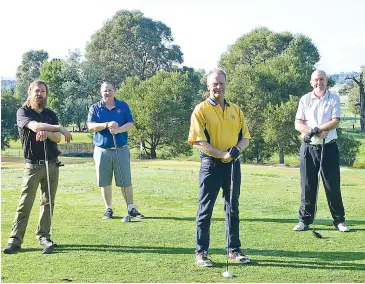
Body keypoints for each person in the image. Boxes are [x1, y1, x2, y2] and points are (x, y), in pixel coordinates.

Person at [188, 68, 251, 267]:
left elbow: (246, 138)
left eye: (221, 83)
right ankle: (201, 252)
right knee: (205, 209)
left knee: (233, 208)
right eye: (214, 83)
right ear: (208, 86)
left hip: (232, 166)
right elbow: (198, 141)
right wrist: (221, 154)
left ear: (226, 84)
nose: (218, 87)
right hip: (211, 165)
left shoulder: (235, 109)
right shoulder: (201, 110)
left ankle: (234, 250)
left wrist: (236, 150)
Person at [3, 80, 72, 254]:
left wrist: (49, 133)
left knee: (48, 203)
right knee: (25, 203)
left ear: (46, 94)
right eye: (36, 91)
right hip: (33, 166)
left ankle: (44, 236)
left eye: (43, 91)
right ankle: (15, 240)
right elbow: (34, 126)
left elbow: (57, 138)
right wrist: (58, 128)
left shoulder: (50, 114)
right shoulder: (23, 112)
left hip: (52, 165)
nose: (40, 94)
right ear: (30, 92)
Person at [293, 70, 349, 232]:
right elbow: (298, 124)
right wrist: (315, 131)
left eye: (322, 79)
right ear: (312, 82)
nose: (319, 82)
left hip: (328, 147)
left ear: (326, 81)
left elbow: (335, 121)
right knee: (308, 185)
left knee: (332, 185)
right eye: (316, 80)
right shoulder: (305, 99)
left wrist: (315, 129)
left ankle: (339, 220)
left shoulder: (333, 98)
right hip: (309, 147)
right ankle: (305, 220)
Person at [87, 82, 144, 220]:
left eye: (110, 90)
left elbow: (130, 123)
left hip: (121, 149)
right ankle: (108, 208)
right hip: (102, 150)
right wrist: (106, 125)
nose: (108, 93)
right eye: (105, 91)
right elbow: (90, 126)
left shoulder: (123, 106)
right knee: (105, 181)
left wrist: (118, 129)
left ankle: (131, 208)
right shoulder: (95, 108)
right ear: (101, 92)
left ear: (114, 91)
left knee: (125, 180)